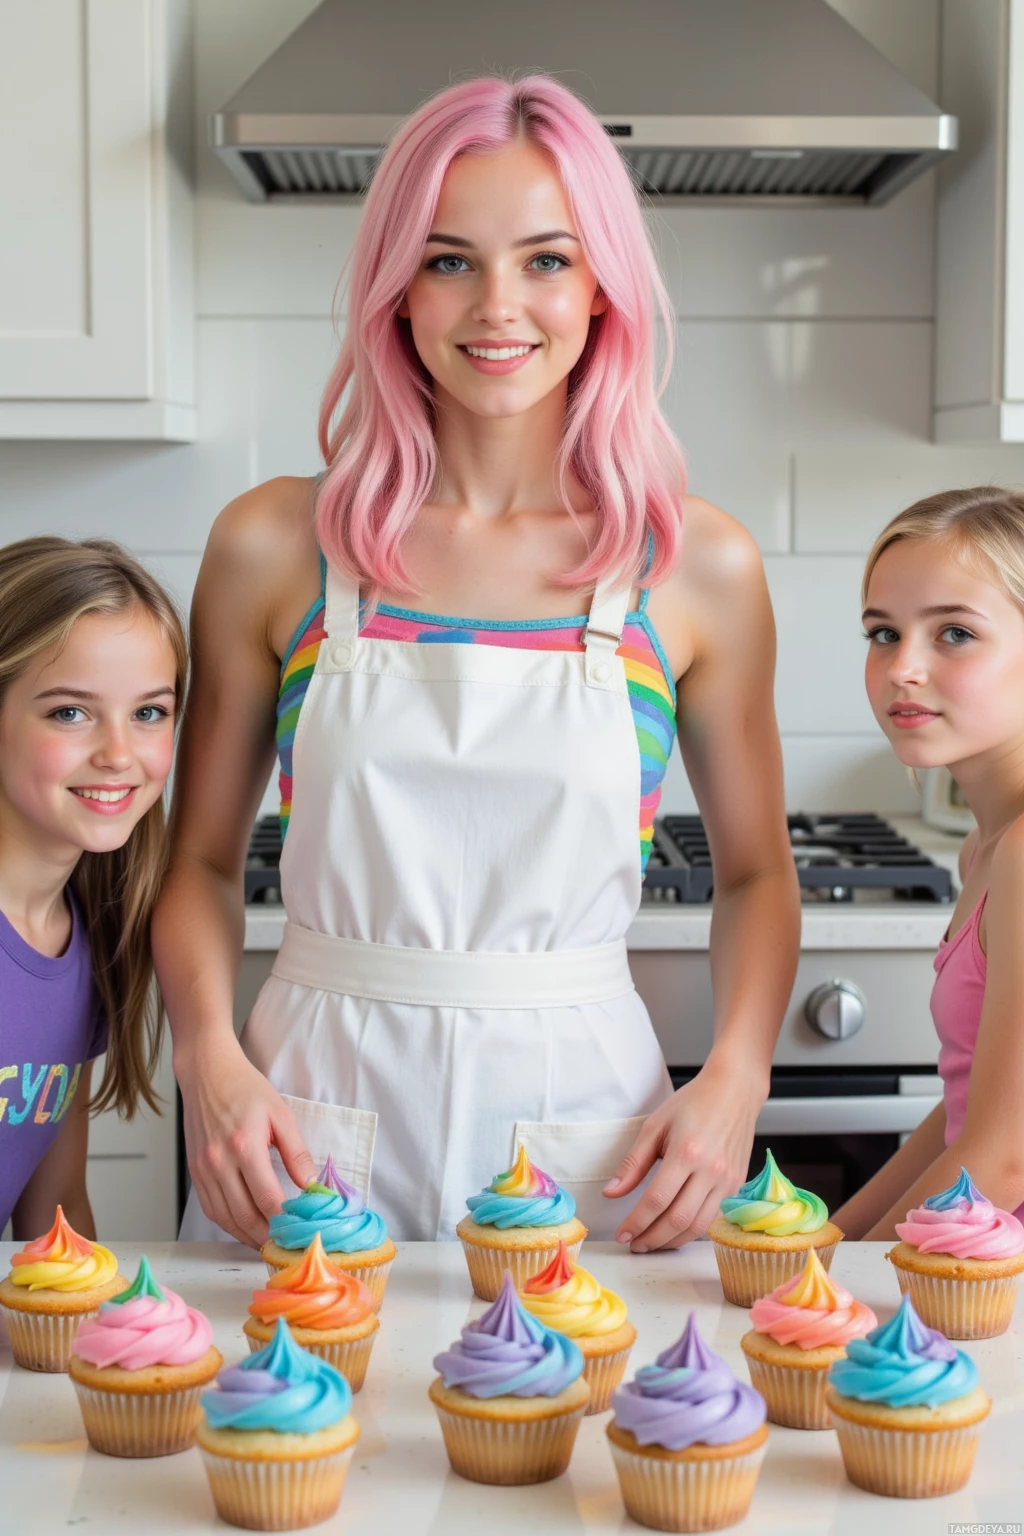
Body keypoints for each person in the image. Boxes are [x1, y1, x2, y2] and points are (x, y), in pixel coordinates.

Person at [159, 74, 799, 1250]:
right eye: (449, 259)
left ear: (602, 285)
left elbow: (758, 876)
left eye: (546, 260)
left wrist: (737, 1078)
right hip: (305, 1107)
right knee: (281, 1433)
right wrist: (208, 1056)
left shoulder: (693, 566)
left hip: (584, 1120)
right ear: (395, 289)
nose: (498, 306)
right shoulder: (273, 548)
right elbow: (196, 859)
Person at [832, 488, 1024, 1239]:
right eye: (883, 634)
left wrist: (834, 1294)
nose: (903, 668)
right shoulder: (987, 846)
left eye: (953, 633)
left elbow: (1002, 1158)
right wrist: (832, 1245)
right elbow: (969, 1108)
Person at [0, 538, 185, 1239]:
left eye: (149, 712)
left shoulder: (87, 934)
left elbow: (56, 1222)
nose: (118, 753)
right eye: (70, 713)